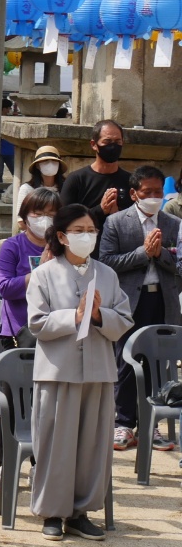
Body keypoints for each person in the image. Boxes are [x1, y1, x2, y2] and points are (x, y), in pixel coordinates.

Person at [27, 202, 132, 541]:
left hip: (99, 371)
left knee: (92, 446)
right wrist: (75, 315)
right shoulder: (44, 274)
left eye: (91, 230)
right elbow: (37, 323)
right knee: (55, 445)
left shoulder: (108, 274)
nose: (87, 236)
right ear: (62, 236)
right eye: (79, 231)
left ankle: (80, 512)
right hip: (58, 371)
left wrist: (99, 315)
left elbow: (124, 320)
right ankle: (52, 512)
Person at [100, 164, 181, 452]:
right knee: (125, 361)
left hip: (162, 301)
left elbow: (179, 265)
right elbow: (107, 261)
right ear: (134, 193)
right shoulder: (116, 223)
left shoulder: (173, 223)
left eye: (158, 192)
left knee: (157, 364)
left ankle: (152, 424)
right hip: (129, 301)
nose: (154, 197)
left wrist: (160, 255)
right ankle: (123, 423)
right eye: (147, 192)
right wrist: (142, 254)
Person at [0, 188, 60, 348]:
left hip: (56, 329)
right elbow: (4, 288)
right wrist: (39, 273)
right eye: (38, 213)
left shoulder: (63, 247)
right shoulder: (12, 246)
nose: (44, 219)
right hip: (20, 332)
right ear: (25, 216)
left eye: (50, 214)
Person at [60, 119, 132, 240]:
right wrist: (101, 210)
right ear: (94, 144)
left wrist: (118, 215)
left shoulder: (131, 181)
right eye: (107, 141)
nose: (113, 146)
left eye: (117, 142)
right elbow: (64, 220)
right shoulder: (76, 179)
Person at [16, 145, 67, 219]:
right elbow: (20, 219)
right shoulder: (27, 188)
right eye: (45, 161)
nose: (50, 164)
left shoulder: (67, 187)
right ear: (37, 165)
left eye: (54, 161)